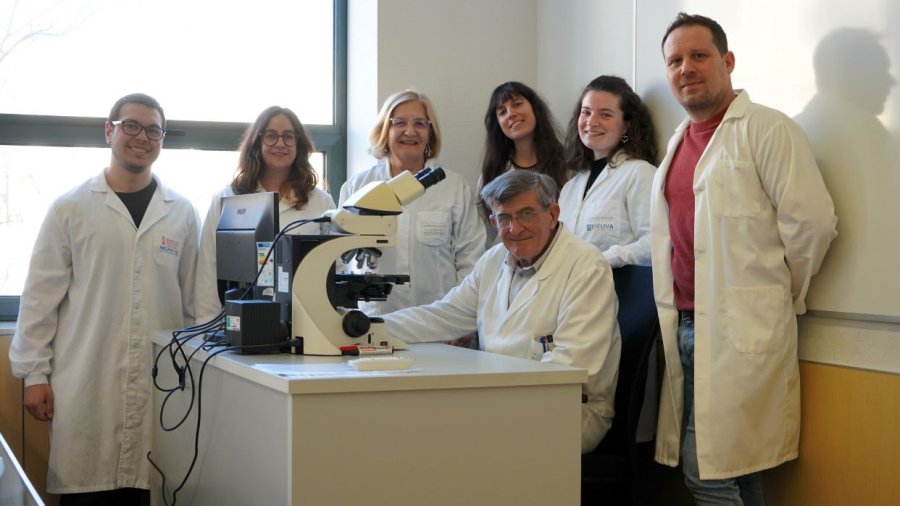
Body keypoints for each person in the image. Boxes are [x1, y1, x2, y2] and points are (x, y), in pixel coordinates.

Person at [652, 13, 837, 504]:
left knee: (706, 474)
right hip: (687, 326)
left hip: (739, 329)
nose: (686, 68)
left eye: (699, 55)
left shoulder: (768, 130)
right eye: (675, 60)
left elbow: (814, 223)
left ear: (727, 61)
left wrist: (776, 291)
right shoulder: (676, 144)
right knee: (742, 467)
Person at [9, 93, 199, 504]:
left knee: (153, 486)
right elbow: (39, 299)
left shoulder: (181, 213)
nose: (142, 137)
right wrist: (34, 376)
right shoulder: (71, 209)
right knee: (87, 489)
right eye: (131, 126)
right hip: (85, 384)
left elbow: (194, 305)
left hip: (161, 389)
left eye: (153, 130)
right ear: (109, 130)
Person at [383, 170, 620, 453]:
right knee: (420, 423)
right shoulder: (494, 260)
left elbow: (571, 368)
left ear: (553, 213)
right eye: (504, 218)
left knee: (453, 439)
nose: (514, 228)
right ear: (493, 221)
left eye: (526, 214)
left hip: (569, 409)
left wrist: (494, 399)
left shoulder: (586, 266)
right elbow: (441, 316)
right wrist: (366, 328)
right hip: (503, 396)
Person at [339, 90, 485, 315]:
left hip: (439, 322)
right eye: (400, 123)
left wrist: (463, 318)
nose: (410, 131)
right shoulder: (357, 187)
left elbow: (471, 259)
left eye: (420, 123)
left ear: (430, 133)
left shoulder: (454, 187)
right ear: (385, 130)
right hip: (375, 320)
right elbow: (340, 257)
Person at [195, 106, 335, 322]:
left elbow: (335, 266)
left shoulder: (320, 201)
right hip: (240, 323)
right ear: (257, 143)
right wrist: (206, 328)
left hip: (306, 322)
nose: (280, 143)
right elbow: (207, 270)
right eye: (271, 136)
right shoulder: (227, 198)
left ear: (299, 144)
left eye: (288, 137)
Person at [559, 75, 658, 268]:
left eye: (605, 114)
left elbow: (655, 242)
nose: (591, 121)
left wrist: (603, 260)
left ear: (626, 126)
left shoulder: (639, 173)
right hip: (571, 291)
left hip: (617, 290)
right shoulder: (571, 186)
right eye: (586, 112)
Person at [478, 81, 568, 245]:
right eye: (502, 112)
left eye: (517, 104)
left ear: (535, 108)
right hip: (510, 261)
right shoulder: (491, 175)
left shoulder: (568, 165)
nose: (511, 114)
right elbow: (488, 234)